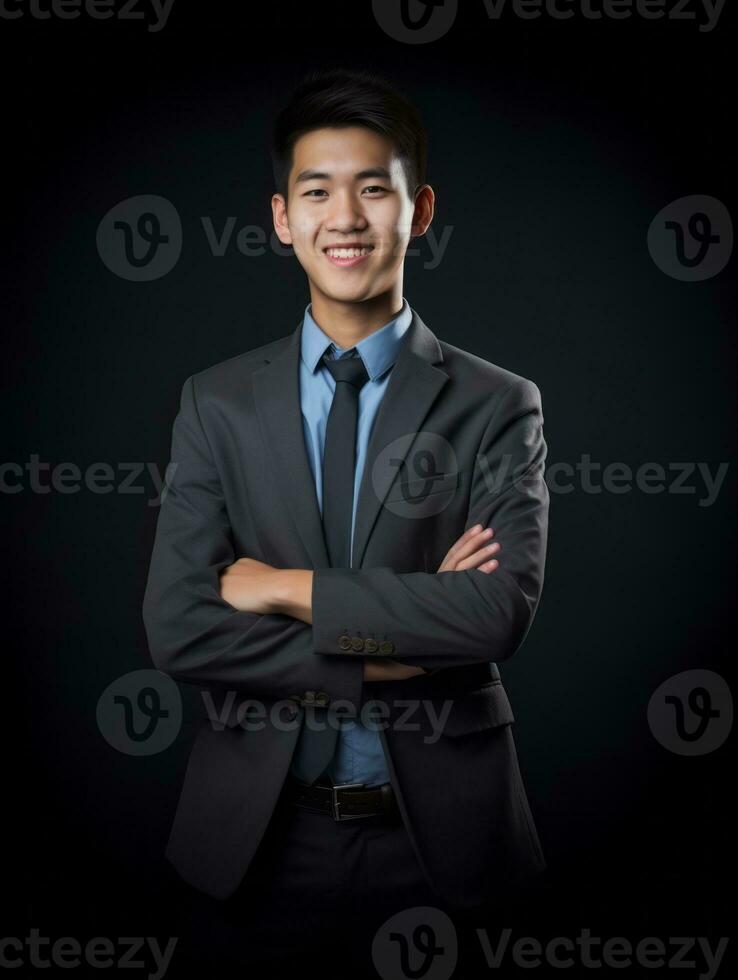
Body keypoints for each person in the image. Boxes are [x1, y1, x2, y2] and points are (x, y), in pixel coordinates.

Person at [143, 67, 549, 974]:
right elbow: (177, 625)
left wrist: (284, 590)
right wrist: (397, 645)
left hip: (444, 842)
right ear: (283, 218)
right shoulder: (216, 404)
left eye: (375, 188)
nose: (347, 217)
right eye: (317, 191)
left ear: (421, 210)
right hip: (253, 841)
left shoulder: (496, 404)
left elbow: (494, 616)